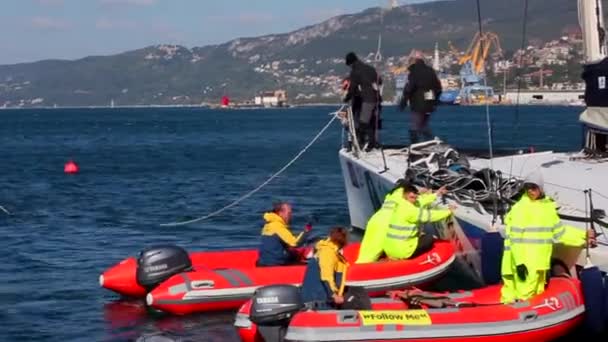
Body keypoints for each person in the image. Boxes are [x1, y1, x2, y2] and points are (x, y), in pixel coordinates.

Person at [500, 171, 597, 303]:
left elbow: (560, 233)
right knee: (524, 296)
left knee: (537, 295)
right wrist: (519, 263)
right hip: (525, 264)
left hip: (540, 263)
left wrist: (584, 236)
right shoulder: (520, 209)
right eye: (527, 187)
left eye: (533, 187)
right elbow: (514, 239)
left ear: (540, 188)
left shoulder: (547, 208)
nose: (530, 191)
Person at [356, 179, 447, 263]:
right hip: (385, 223)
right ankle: (363, 272)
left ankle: (358, 266)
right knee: (378, 248)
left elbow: (415, 198)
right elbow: (418, 201)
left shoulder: (391, 195)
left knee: (368, 251)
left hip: (375, 220)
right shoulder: (404, 199)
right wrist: (432, 195)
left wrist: (423, 193)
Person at [383, 184, 454, 260]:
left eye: (415, 197)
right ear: (405, 196)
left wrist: (437, 194)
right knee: (430, 238)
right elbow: (430, 215)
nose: (414, 200)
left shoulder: (400, 204)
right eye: (411, 197)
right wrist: (448, 211)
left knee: (420, 234)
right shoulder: (411, 211)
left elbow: (421, 201)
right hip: (402, 251)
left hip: (389, 250)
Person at [399, 51, 442, 144]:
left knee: (415, 126)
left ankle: (415, 148)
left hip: (418, 102)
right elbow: (438, 88)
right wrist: (435, 101)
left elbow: (409, 88)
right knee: (423, 125)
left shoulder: (414, 72)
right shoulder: (430, 71)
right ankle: (431, 143)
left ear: (414, 61)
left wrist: (403, 102)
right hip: (429, 102)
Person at [300, 227, 349, 309]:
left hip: (315, 297)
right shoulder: (328, 252)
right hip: (318, 301)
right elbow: (326, 277)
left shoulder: (323, 249)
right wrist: (334, 296)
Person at [343, 52, 380, 152]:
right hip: (376, 99)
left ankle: (364, 143)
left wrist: (347, 97)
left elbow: (352, 88)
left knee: (363, 122)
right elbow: (379, 81)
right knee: (372, 122)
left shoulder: (355, 72)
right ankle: (372, 142)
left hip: (367, 99)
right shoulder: (370, 68)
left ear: (351, 63)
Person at [257, 202, 312, 267]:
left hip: (263, 262)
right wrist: (307, 231)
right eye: (289, 213)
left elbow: (275, 242)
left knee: (293, 253)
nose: (291, 215)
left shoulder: (268, 225)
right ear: (280, 213)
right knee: (299, 259)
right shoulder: (277, 226)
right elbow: (295, 243)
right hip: (275, 264)